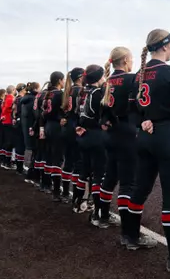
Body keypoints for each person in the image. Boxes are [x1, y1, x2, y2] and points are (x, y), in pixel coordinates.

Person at [127, 29, 170, 272]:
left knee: (139, 190)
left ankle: (131, 238)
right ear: (166, 46)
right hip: (168, 138)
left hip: (144, 139)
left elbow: (132, 110)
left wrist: (144, 121)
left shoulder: (139, 75)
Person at [98, 47, 138, 232]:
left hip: (110, 135)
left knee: (110, 177)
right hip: (126, 133)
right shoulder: (131, 79)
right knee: (128, 182)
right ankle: (129, 231)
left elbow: (103, 113)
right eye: (131, 59)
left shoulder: (106, 82)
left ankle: (103, 216)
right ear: (126, 61)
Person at [72, 65, 106, 226]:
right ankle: (97, 212)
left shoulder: (82, 91)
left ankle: (78, 203)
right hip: (96, 135)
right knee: (99, 174)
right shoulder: (98, 93)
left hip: (83, 135)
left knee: (84, 171)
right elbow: (102, 116)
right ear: (99, 77)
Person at [60, 68, 84, 208]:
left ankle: (65, 192)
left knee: (68, 161)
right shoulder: (79, 91)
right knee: (78, 163)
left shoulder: (67, 90)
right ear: (80, 77)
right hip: (76, 127)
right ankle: (76, 196)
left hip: (67, 128)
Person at [42, 71, 66, 202]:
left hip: (48, 126)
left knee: (49, 156)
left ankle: (46, 184)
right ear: (59, 80)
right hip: (56, 126)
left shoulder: (47, 93)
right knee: (57, 158)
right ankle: (56, 190)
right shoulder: (59, 94)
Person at [21, 82, 41, 185]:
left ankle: (30, 173)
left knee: (32, 151)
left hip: (26, 128)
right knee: (36, 151)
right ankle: (33, 175)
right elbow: (36, 115)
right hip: (33, 128)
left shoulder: (24, 99)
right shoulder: (33, 99)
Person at [12, 83, 27, 174]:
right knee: (21, 145)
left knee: (18, 145)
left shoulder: (16, 99)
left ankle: (18, 166)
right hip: (21, 123)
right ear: (22, 89)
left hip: (16, 122)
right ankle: (20, 167)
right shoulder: (21, 99)